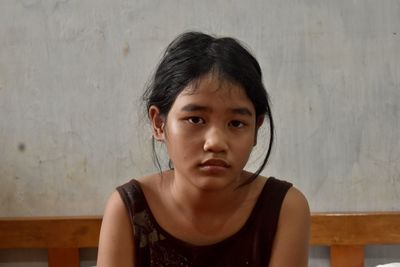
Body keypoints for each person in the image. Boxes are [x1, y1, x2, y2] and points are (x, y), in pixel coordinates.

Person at [97, 31, 310, 267]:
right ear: (159, 124)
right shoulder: (130, 211)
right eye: (195, 120)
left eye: (237, 123)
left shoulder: (283, 209)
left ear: (256, 130)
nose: (215, 142)